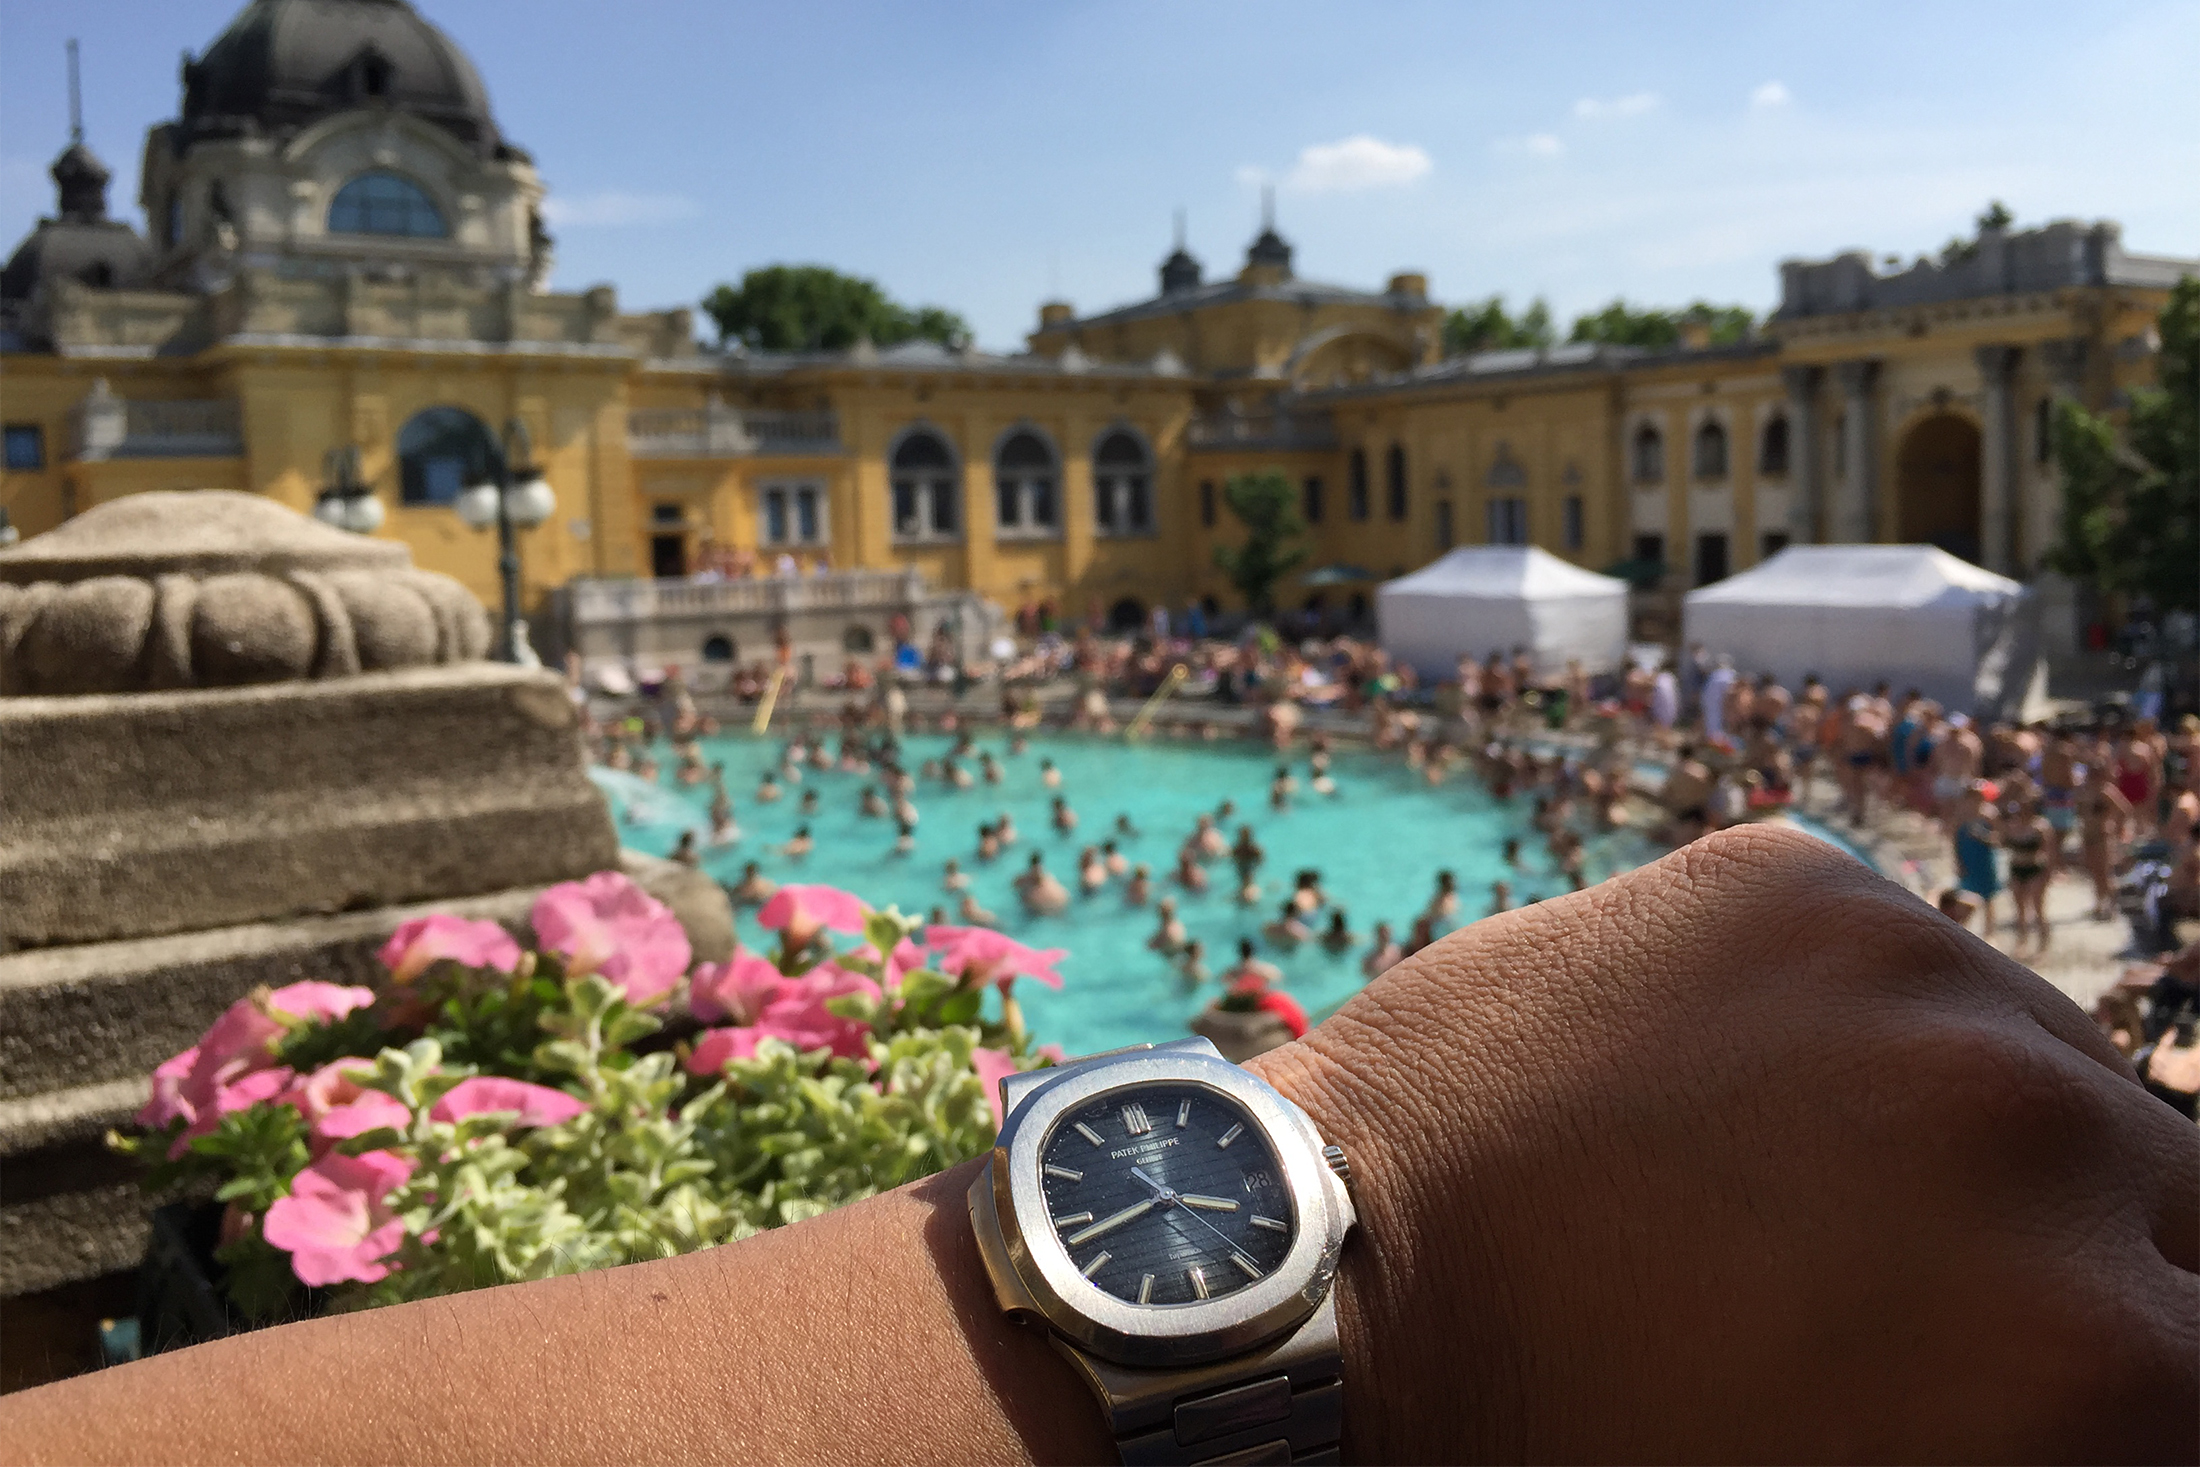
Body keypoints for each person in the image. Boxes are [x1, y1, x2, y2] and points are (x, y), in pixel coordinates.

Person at [2002, 796, 2053, 954]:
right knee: (2019, 909)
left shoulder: (2040, 827)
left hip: (2034, 868)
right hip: (2017, 868)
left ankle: (2042, 945)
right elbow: (2002, 842)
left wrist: (2048, 873)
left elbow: (2049, 852)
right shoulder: (2012, 826)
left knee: (2038, 907)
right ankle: (2022, 942)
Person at [1951, 787, 2001, 937]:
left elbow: (1998, 839)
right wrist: (1958, 863)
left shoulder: (1989, 816)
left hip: (1984, 860)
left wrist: (1983, 836)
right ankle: (1962, 931)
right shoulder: (1960, 819)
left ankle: (1989, 932)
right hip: (1968, 860)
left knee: (1988, 898)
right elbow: (1955, 842)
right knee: (1965, 897)